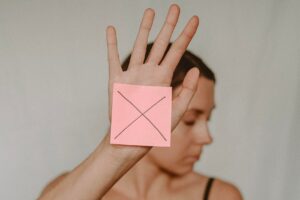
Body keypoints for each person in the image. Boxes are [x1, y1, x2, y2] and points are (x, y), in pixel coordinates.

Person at [38, 4, 242, 200]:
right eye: (189, 120)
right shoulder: (71, 189)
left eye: (209, 118)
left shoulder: (220, 196)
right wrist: (116, 151)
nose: (206, 137)